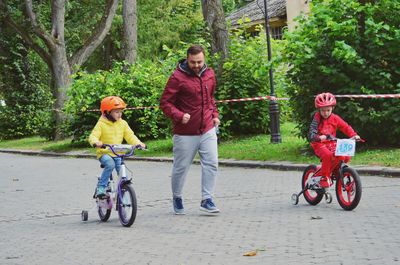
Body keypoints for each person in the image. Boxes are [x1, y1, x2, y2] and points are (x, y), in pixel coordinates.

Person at [160, 44, 220, 215]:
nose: (196, 65)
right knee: (181, 167)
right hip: (185, 132)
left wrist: (214, 114)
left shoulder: (210, 74)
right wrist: (179, 116)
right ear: (187, 59)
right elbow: (165, 103)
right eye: (193, 62)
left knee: (211, 164)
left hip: (207, 128)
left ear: (204, 59)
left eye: (199, 62)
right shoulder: (177, 77)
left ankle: (207, 199)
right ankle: (177, 197)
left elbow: (211, 99)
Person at [88, 96, 145, 198]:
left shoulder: (123, 123)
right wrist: (96, 142)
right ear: (107, 112)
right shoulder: (101, 124)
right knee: (110, 164)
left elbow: (130, 136)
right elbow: (93, 136)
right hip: (104, 152)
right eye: (116, 112)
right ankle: (101, 188)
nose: (120, 114)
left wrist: (138, 143)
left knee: (121, 168)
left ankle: (125, 189)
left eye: (121, 112)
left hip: (117, 152)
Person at [308, 92, 360, 188]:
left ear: (333, 108)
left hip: (331, 142)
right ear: (319, 109)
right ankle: (324, 177)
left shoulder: (335, 118)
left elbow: (345, 127)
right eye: (323, 110)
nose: (326, 113)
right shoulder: (317, 118)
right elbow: (312, 132)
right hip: (318, 144)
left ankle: (336, 170)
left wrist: (354, 135)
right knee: (327, 155)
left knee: (345, 156)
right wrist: (318, 137)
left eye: (328, 110)